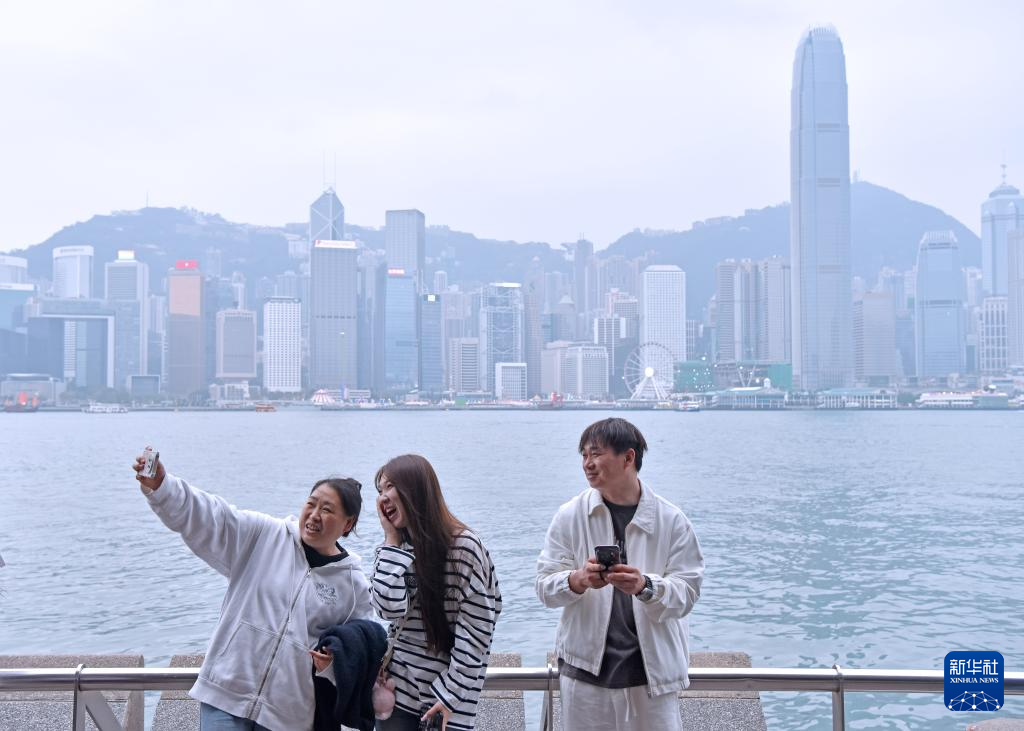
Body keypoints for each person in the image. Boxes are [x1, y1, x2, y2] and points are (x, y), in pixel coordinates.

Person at [133, 450, 375, 731]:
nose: (314, 515)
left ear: (348, 524)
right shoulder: (265, 535)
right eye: (311, 504)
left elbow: (361, 649)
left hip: (288, 715)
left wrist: (333, 666)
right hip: (226, 694)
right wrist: (163, 487)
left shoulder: (354, 585)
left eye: (327, 510)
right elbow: (210, 516)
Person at [535, 418, 705, 731]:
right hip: (584, 674)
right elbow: (544, 587)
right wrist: (579, 580)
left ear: (628, 457)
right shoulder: (570, 516)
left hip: (650, 677)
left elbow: (688, 592)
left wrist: (645, 586)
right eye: (584, 455)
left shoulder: (671, 520)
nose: (587, 463)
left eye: (596, 453)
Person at [370, 454, 502, 731]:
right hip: (398, 694)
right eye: (380, 490)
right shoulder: (395, 550)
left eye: (390, 486)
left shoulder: (464, 547)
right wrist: (391, 540)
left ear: (415, 488)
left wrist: (449, 695)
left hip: (448, 704)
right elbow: (386, 608)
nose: (383, 498)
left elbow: (477, 631)